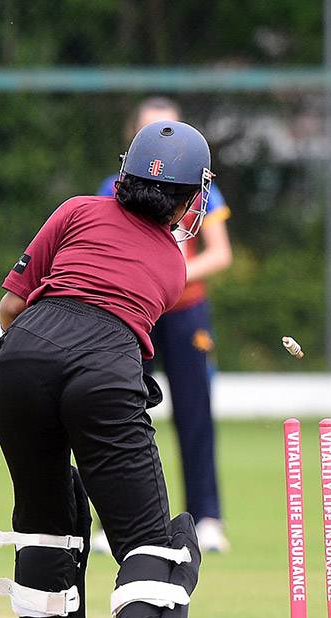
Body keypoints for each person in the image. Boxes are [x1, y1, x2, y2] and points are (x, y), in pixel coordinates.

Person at [0, 120, 219, 618]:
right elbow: (103, 318)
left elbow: (14, 307)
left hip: (25, 361)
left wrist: (0, 350)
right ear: (192, 198)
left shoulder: (74, 211)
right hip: (106, 369)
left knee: (44, 521)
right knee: (150, 537)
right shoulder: (172, 262)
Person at [92, 97, 233, 555]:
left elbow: (219, 253)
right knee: (117, 412)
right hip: (135, 310)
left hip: (185, 311)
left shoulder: (201, 187)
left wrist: (167, 275)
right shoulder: (116, 188)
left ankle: (207, 517)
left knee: (194, 413)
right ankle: (111, 520)